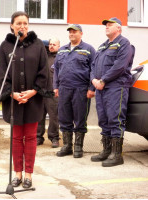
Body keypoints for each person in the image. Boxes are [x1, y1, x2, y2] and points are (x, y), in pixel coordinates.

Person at [0, 11, 53, 189]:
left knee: (31, 138)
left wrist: (33, 91)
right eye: (18, 23)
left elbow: (44, 71)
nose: (22, 26)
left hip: (32, 100)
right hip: (13, 101)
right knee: (16, 138)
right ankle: (17, 174)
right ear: (12, 25)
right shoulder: (6, 46)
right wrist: (11, 93)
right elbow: (1, 73)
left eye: (25, 23)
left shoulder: (37, 45)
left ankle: (28, 175)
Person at [90, 17, 135, 167]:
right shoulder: (102, 46)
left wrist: (103, 80)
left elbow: (120, 66)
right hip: (101, 88)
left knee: (115, 119)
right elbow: (93, 66)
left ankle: (117, 155)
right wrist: (94, 80)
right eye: (106, 25)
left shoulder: (124, 44)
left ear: (119, 28)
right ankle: (106, 150)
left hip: (116, 87)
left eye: (110, 25)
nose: (106, 27)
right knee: (104, 119)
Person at [53, 24, 96, 158]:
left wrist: (91, 88)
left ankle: (78, 147)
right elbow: (56, 70)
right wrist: (56, 86)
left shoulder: (89, 49)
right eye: (70, 32)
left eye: (74, 32)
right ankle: (67, 146)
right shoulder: (62, 50)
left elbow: (94, 70)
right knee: (64, 117)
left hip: (81, 89)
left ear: (81, 34)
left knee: (80, 118)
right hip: (64, 88)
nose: (71, 34)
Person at [37, 38, 60, 148]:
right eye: (50, 44)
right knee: (39, 115)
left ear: (58, 46)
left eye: (54, 44)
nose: (51, 46)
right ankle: (38, 137)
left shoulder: (60, 58)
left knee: (54, 116)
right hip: (41, 91)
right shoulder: (43, 58)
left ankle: (54, 137)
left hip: (53, 92)